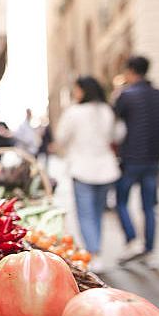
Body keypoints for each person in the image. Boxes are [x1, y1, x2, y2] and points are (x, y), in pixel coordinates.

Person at [113, 56, 159, 267]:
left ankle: (132, 241)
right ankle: (149, 251)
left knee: (121, 202)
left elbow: (114, 125)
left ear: (131, 71)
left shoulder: (126, 96)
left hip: (131, 159)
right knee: (149, 206)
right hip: (153, 159)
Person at [54, 76, 122, 272]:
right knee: (97, 213)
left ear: (83, 90)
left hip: (82, 167)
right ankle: (96, 251)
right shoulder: (107, 110)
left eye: (76, 89)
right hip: (106, 168)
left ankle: (93, 252)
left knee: (86, 214)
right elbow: (116, 135)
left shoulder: (74, 112)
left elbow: (61, 137)